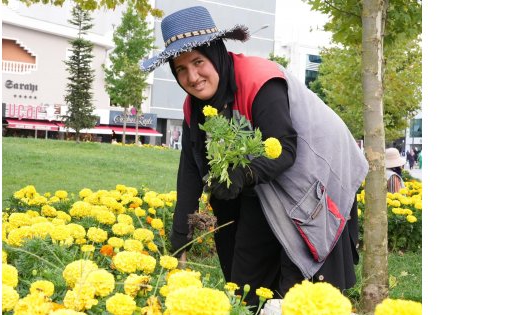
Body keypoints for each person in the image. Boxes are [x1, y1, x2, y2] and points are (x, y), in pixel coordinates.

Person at [140, 6, 368, 306]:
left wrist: (242, 175)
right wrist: (180, 242)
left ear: (216, 53)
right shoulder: (193, 106)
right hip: (265, 178)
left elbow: (285, 149)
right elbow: (191, 172)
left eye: (198, 62)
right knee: (246, 282)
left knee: (300, 284)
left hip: (316, 167)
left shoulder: (259, 80)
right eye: (181, 69)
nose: (192, 77)